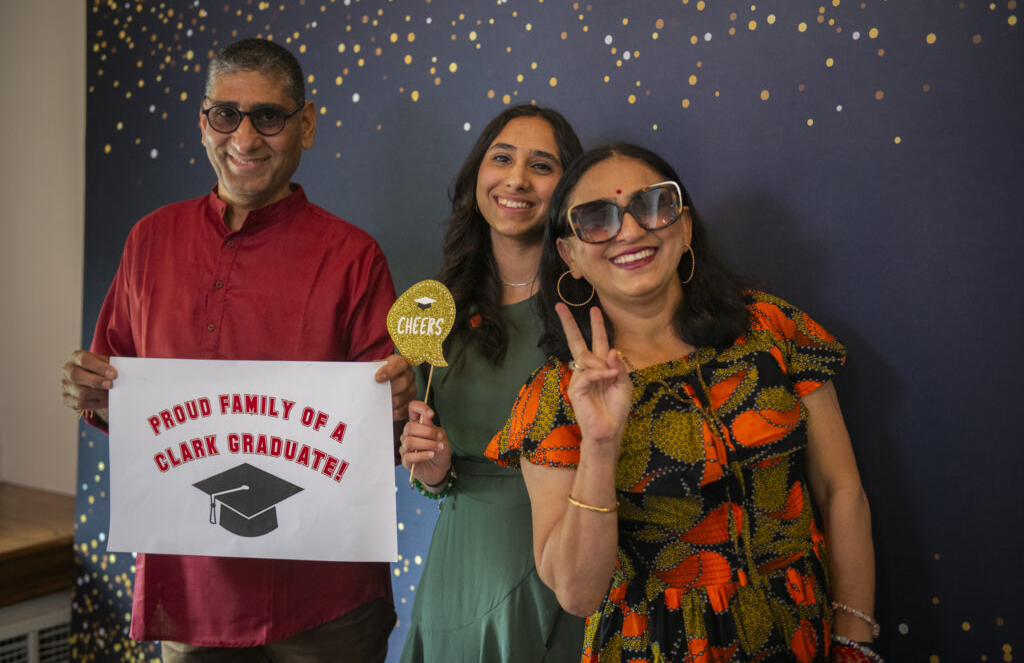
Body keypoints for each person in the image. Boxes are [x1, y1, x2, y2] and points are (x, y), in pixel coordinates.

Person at [59, 38, 415, 662]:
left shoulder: (353, 258)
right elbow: (118, 398)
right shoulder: (150, 241)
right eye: (226, 115)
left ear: (306, 125)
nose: (244, 139)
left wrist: (396, 406)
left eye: (268, 117)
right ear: (204, 123)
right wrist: (93, 394)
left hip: (325, 599)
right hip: (193, 589)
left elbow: (384, 437)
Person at [486, 143, 882, 662]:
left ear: (686, 226)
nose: (631, 230)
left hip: (802, 634)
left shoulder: (771, 329)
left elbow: (841, 489)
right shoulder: (554, 397)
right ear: (570, 256)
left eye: (653, 205)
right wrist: (600, 444)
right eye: (597, 219)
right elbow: (578, 595)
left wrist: (853, 639)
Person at [397, 105, 588, 661]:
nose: (516, 179)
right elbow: (438, 473)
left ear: (569, 188)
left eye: (541, 165)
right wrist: (432, 471)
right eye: (501, 158)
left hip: (565, 554)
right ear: (477, 173)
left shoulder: (590, 306)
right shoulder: (438, 306)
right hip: (460, 563)